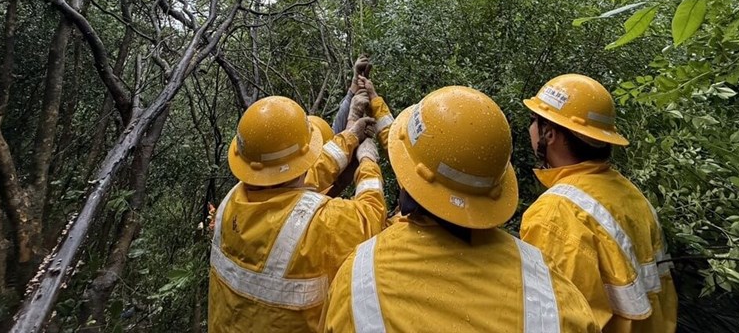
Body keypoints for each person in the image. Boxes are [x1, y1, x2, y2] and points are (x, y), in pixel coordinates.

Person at [321, 86, 600, 332]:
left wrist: (363, 153)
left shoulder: (358, 278)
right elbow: (426, 152)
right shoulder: (554, 290)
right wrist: (374, 97)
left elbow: (418, 150)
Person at [208, 96, 386, 333]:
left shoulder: (231, 202)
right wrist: (368, 160)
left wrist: (351, 134)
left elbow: (299, 180)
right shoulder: (321, 223)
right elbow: (371, 214)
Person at [520, 74, 678, 332]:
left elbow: (555, 320)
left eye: (533, 120)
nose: (530, 128)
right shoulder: (629, 193)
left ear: (549, 134)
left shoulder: (555, 215)